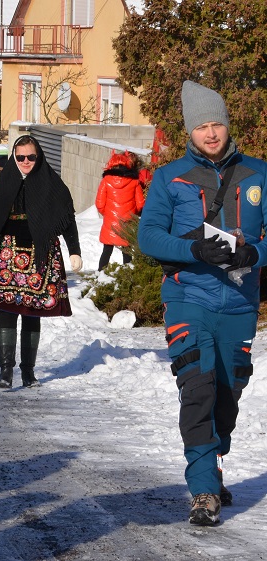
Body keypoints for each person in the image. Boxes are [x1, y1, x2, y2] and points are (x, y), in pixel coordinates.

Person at [138, 80, 267, 526]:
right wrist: (192, 249)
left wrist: (255, 254)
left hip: (240, 303)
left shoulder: (258, 173)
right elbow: (149, 236)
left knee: (226, 396)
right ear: (189, 131)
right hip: (188, 298)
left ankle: (212, 462)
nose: (210, 133)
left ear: (227, 125)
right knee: (197, 390)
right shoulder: (169, 177)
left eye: (217, 124)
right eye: (201, 126)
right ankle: (204, 491)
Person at [0, 135, 82, 388]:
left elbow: (67, 219)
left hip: (41, 253)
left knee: (33, 312)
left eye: (30, 157)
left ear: (38, 156)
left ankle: (28, 372)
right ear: (14, 157)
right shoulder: (1, 184)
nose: (25, 161)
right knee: (7, 310)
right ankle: (5, 371)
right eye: (20, 157)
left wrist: (74, 250)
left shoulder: (52, 184)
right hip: (6, 254)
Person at [95, 150, 146, 270]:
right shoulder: (134, 182)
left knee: (106, 251)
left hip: (110, 223)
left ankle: (100, 275)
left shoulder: (106, 180)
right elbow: (140, 204)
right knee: (127, 252)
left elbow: (99, 204)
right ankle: (128, 274)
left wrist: (108, 214)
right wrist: (132, 214)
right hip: (127, 222)